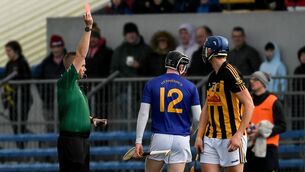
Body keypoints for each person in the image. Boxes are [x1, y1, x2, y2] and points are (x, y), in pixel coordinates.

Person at [194, 36, 254, 172]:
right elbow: (207, 108)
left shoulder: (231, 73)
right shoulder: (212, 76)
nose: (205, 51)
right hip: (210, 137)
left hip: (230, 136)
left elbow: (249, 104)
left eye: (207, 48)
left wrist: (238, 135)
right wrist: (199, 136)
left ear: (214, 51)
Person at [135, 51, 202, 172]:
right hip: (182, 138)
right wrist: (191, 131)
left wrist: (138, 141)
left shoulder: (152, 83)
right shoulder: (191, 87)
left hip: (160, 137)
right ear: (180, 66)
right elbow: (198, 118)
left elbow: (143, 114)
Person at [56, 11, 106, 172]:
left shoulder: (76, 88)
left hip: (82, 140)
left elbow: (75, 111)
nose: (84, 67)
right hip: (72, 141)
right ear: (74, 66)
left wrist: (91, 119)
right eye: (82, 65)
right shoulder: (66, 82)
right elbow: (81, 53)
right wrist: (88, 27)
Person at [244, 71, 286, 172]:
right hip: (249, 148)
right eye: (251, 79)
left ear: (262, 83)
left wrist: (261, 132)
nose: (251, 81)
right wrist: (248, 131)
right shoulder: (248, 100)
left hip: (269, 149)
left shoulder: (273, 101)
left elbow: (282, 126)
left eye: (255, 79)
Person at [3, 40, 32, 149]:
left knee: (21, 124)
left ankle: (22, 147)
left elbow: (26, 79)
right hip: (12, 100)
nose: (7, 53)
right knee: (14, 125)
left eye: (9, 50)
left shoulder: (22, 63)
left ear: (16, 50)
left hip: (23, 99)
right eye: (6, 51)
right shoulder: (9, 64)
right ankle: (20, 147)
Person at [36, 34, 67, 133]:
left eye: (58, 46)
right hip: (49, 102)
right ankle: (52, 148)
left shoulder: (71, 60)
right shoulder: (46, 63)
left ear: (63, 46)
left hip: (67, 101)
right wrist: (44, 95)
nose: (56, 50)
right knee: (50, 127)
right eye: (54, 47)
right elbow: (37, 79)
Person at [292, 46, 305, 129]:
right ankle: (297, 141)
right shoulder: (297, 70)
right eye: (302, 55)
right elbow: (294, 84)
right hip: (299, 100)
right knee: (298, 121)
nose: (304, 57)